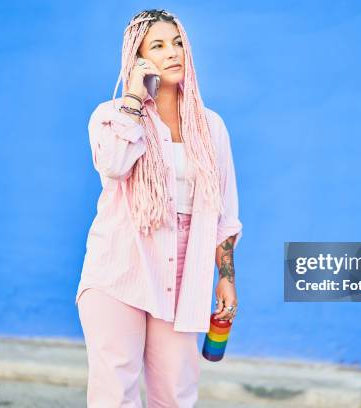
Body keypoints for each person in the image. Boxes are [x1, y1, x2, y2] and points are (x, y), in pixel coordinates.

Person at [74, 8, 243, 408]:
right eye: (159, 45)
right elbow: (114, 165)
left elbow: (225, 214)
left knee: (176, 395)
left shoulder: (211, 127)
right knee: (114, 395)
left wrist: (226, 276)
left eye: (178, 42)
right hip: (120, 271)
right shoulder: (112, 115)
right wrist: (134, 95)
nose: (173, 52)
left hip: (184, 279)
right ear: (138, 58)